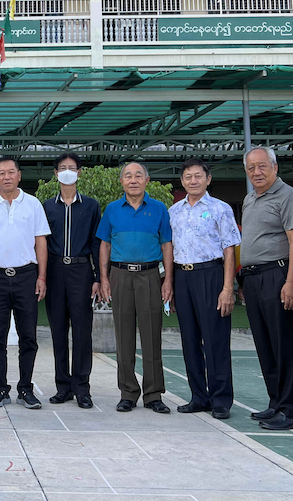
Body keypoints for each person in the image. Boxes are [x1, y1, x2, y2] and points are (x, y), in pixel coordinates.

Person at [97, 162, 173, 415]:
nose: (133, 180)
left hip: (150, 275)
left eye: (138, 175)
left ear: (147, 180)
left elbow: (167, 245)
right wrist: (105, 278)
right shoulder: (112, 209)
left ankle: (153, 394)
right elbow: (105, 245)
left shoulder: (159, 209)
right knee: (124, 336)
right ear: (121, 182)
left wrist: (168, 280)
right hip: (120, 275)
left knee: (152, 336)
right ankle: (128, 393)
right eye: (128, 176)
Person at [168, 159, 241, 420]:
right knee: (189, 340)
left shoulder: (221, 209)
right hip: (182, 276)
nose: (193, 181)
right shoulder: (173, 211)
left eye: (198, 176)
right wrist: (170, 284)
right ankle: (199, 396)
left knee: (215, 340)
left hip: (211, 274)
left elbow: (229, 250)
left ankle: (221, 400)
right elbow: (169, 249)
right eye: (188, 176)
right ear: (182, 181)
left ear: (208, 179)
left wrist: (228, 288)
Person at [0, 157, 50, 410]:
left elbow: (41, 242)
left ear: (19, 175)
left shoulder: (33, 204)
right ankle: (0, 388)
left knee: (28, 336)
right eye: (1, 173)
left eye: (11, 172)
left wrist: (41, 276)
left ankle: (26, 388)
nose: (6, 177)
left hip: (26, 276)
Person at [240, 146, 293, 431]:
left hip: (278, 275)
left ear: (275, 167)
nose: (256, 172)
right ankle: (276, 402)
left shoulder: (288, 196)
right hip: (254, 278)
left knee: (284, 344)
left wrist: (291, 281)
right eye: (251, 167)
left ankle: (291, 411)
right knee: (265, 344)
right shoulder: (250, 198)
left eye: (262, 166)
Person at [42, 153, 100, 409]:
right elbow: (40, 242)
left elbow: (96, 242)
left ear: (79, 172)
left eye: (72, 167)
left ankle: (82, 388)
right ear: (56, 174)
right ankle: (63, 386)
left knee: (82, 331)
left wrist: (98, 277)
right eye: (63, 168)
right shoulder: (46, 207)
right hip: (55, 270)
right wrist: (41, 276)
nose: (67, 171)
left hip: (81, 269)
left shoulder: (91, 206)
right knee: (58, 330)